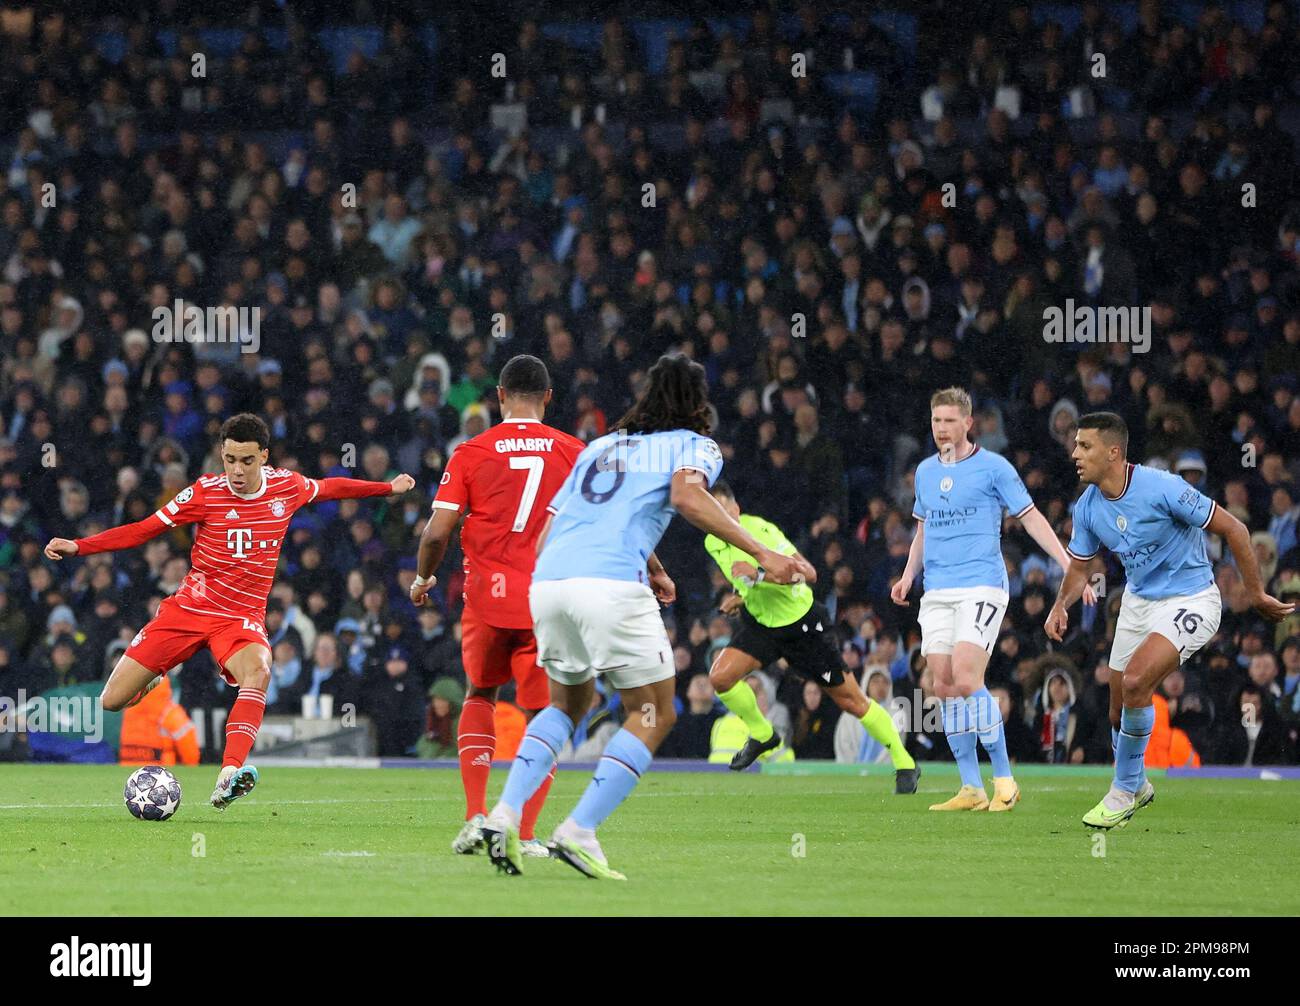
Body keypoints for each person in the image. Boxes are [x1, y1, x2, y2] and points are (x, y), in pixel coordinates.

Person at [480, 354, 812, 879]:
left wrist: (652, 564)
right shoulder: (695, 445)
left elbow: (558, 530)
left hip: (549, 582)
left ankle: (501, 815)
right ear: (698, 405)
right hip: (609, 585)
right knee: (656, 711)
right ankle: (579, 829)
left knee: (568, 705)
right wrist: (762, 552)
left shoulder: (601, 447)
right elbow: (686, 496)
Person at [43, 413, 414, 810]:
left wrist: (386, 487)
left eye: (247, 461)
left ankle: (228, 774)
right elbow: (144, 529)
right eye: (230, 459)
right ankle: (151, 679)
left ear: (264, 457)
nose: (237, 470)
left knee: (259, 670)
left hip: (240, 618)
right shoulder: (204, 492)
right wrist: (80, 546)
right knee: (111, 701)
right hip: (187, 610)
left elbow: (332, 488)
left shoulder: (286, 486)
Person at [1046, 411, 1294, 828]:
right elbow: (1079, 567)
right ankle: (1138, 782)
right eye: (1075, 445)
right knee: (1116, 708)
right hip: (1138, 600)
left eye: (1084, 446)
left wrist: (1254, 593)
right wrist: (1059, 605)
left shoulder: (1163, 488)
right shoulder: (1087, 506)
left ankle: (1123, 791)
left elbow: (1233, 528)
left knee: (1138, 680)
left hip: (1192, 599)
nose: (1075, 454)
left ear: (1113, 452)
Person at [410, 354, 585, 857]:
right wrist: (655, 569)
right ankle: (527, 835)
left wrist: (423, 578)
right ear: (548, 398)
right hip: (548, 602)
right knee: (546, 713)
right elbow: (609, 520)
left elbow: (438, 530)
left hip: (488, 600)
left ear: (500, 397)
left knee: (480, 696)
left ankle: (475, 818)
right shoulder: (574, 452)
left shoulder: (470, 451)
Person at [892, 387, 1093, 812]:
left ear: (968, 423)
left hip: (982, 583)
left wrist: (1072, 564)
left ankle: (1004, 778)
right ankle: (971, 787)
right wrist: (909, 575)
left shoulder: (994, 468)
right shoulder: (926, 472)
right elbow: (923, 532)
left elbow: (1032, 518)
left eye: (949, 420)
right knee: (943, 686)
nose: (941, 428)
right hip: (938, 590)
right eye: (935, 421)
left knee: (967, 678)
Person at [704, 479, 917, 790]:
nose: (719, 521)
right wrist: (742, 594)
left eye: (724, 513)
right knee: (720, 678)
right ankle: (763, 735)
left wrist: (759, 574)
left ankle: (904, 762)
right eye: (712, 515)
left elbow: (807, 573)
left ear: (735, 510)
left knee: (853, 701)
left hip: (802, 625)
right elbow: (744, 579)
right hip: (763, 624)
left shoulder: (761, 532)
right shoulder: (714, 541)